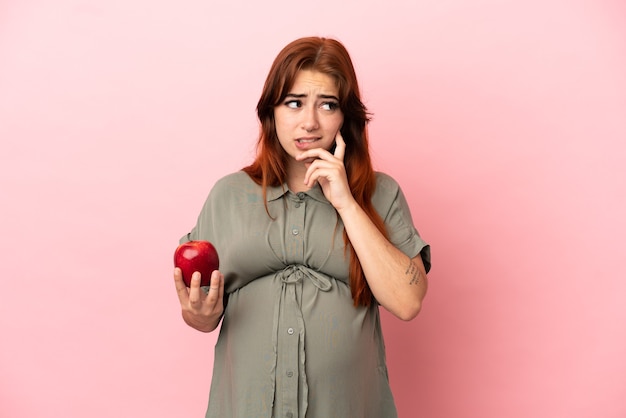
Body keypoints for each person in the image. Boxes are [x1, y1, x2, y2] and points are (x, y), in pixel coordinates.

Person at [173, 36, 431, 418]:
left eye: (327, 105)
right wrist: (198, 314)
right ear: (271, 112)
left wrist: (344, 200)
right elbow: (201, 315)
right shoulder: (228, 195)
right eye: (294, 103)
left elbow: (408, 302)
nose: (309, 122)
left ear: (345, 117)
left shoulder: (381, 193)